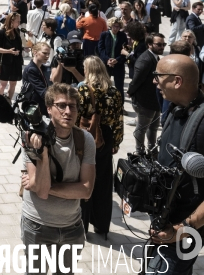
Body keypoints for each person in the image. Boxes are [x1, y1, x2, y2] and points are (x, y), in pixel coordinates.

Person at [20, 83, 96, 274]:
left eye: (73, 106)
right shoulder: (31, 137)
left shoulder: (85, 140)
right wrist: (43, 154)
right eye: (61, 105)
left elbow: (86, 190)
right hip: (38, 226)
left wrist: (42, 185)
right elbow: (43, 193)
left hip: (72, 227)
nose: (68, 111)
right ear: (48, 108)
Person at [146, 55, 204, 274]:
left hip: (191, 229)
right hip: (164, 222)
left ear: (177, 81)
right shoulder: (173, 109)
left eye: (158, 76)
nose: (154, 81)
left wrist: (183, 229)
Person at [76, 56, 123, 238]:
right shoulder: (114, 91)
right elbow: (119, 119)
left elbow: (76, 116)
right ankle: (102, 227)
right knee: (103, 183)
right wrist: (116, 142)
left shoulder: (83, 90)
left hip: (86, 136)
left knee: (84, 179)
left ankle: (82, 224)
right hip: (106, 137)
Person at [127, 32, 166, 154]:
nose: (162, 47)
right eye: (159, 44)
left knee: (153, 128)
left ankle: (152, 149)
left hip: (154, 100)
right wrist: (131, 92)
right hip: (145, 101)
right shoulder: (145, 60)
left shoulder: (154, 57)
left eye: (163, 44)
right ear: (149, 44)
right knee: (142, 128)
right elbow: (136, 80)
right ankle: (140, 151)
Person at [97, 17, 128, 102]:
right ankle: (103, 103)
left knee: (119, 86)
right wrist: (107, 59)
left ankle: (120, 106)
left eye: (118, 26)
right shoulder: (104, 34)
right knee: (104, 85)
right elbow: (101, 49)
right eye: (114, 26)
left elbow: (125, 50)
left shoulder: (122, 35)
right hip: (106, 64)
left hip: (118, 64)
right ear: (110, 26)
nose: (116, 28)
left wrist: (117, 60)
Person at [0, 12, 23, 100]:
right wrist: (9, 51)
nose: (19, 23)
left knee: (13, 83)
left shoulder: (17, 31)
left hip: (16, 61)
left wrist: (24, 49)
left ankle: (9, 101)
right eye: (17, 21)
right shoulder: (1, 33)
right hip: (6, 62)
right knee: (3, 84)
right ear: (11, 21)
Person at [22, 42, 51, 115]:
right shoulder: (31, 69)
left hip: (41, 107)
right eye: (44, 53)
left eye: (48, 54)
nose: (47, 56)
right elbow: (42, 91)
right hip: (35, 110)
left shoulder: (41, 67)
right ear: (35, 53)